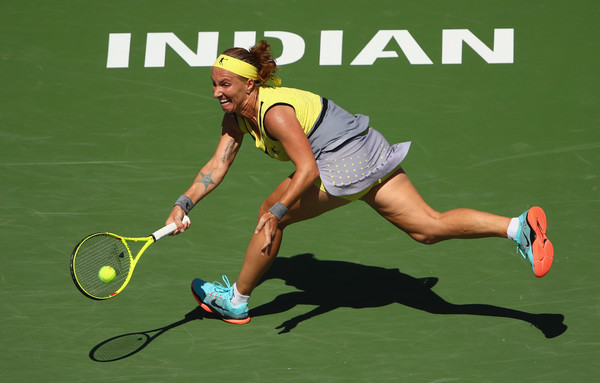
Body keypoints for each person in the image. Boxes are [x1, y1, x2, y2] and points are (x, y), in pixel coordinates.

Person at [165, 40, 554, 325]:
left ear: (250, 84)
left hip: (344, 161)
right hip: (368, 149)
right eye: (214, 84)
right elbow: (217, 165)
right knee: (427, 228)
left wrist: (278, 212)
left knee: (269, 212)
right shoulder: (236, 117)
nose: (217, 92)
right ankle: (518, 228)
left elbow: (308, 172)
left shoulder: (275, 114)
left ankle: (236, 301)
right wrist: (185, 202)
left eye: (226, 85)